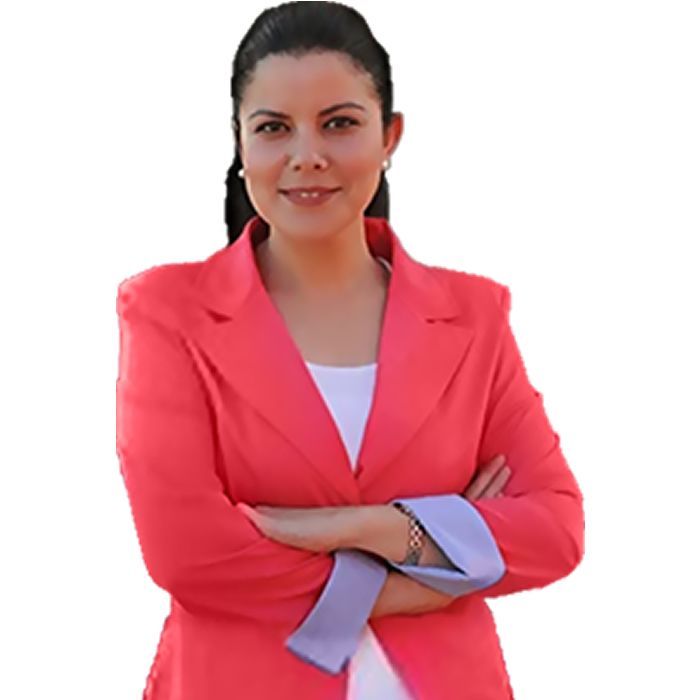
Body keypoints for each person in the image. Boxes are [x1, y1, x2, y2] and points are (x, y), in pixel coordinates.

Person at [115, 2, 585, 698]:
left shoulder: (475, 315)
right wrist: (439, 560)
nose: (307, 155)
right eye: (274, 128)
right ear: (240, 143)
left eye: (339, 123)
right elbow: (188, 554)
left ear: (390, 136)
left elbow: (554, 530)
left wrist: (368, 527)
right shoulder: (166, 312)